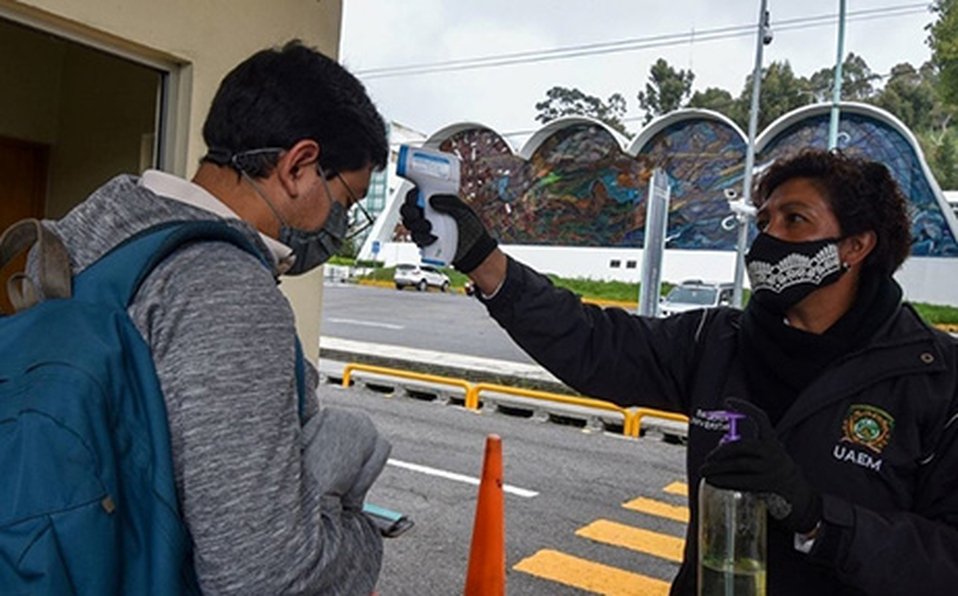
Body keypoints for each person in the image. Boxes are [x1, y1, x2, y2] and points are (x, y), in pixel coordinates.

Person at [401, 148, 958, 595]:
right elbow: (593, 343)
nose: (767, 237)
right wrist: (481, 258)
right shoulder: (716, 343)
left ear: (856, 246)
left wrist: (817, 518)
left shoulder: (935, 378)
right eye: (764, 220)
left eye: (795, 220)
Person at [38, 41, 391, 594]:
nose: (339, 223)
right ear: (298, 165)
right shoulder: (225, 288)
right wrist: (359, 534)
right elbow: (265, 576)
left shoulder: (83, 230)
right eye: (346, 199)